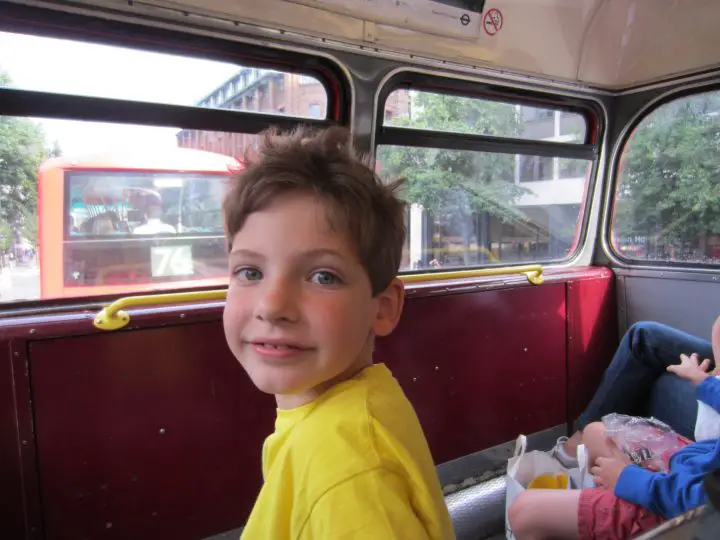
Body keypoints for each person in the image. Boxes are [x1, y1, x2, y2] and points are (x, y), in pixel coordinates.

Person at [222, 126, 455, 539]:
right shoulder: (355, 408)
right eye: (250, 272)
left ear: (382, 308)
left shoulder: (345, 467)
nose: (272, 306)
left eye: (323, 276)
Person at [508, 316, 720, 539]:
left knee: (523, 511)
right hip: (696, 466)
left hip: (687, 514)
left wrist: (626, 477)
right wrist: (705, 382)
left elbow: (705, 506)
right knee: (595, 433)